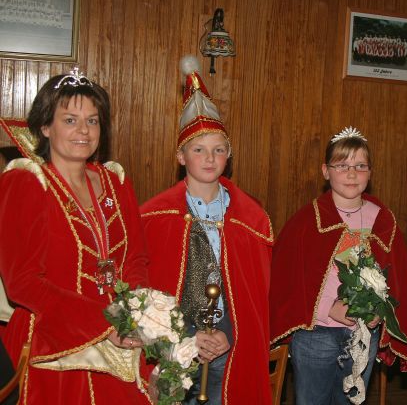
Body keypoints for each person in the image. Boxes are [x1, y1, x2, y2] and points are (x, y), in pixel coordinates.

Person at [0, 69, 150, 403]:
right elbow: (23, 283)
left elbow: (136, 259)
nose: (83, 131)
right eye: (70, 120)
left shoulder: (116, 182)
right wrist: (103, 323)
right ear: (45, 127)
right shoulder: (27, 183)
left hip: (120, 339)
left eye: (93, 121)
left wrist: (135, 309)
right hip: (53, 347)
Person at [140, 56, 273, 405]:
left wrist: (229, 335)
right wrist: (186, 336)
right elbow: (148, 291)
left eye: (218, 150)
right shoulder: (154, 216)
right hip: (172, 339)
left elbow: (254, 299)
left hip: (229, 338)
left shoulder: (251, 219)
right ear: (181, 156)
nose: (209, 158)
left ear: (229, 155)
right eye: (199, 150)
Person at [270, 127, 407, 405]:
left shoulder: (383, 220)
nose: (352, 174)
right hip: (316, 333)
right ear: (326, 171)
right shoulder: (306, 222)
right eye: (342, 165)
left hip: (363, 334)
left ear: (370, 172)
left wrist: (379, 312)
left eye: (360, 166)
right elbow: (287, 281)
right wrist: (328, 308)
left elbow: (395, 278)